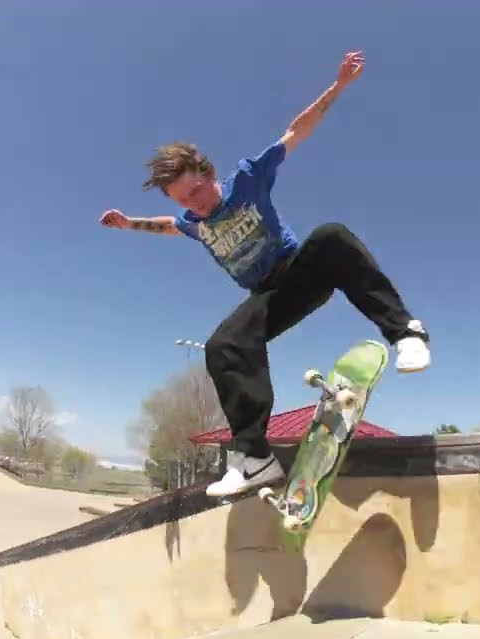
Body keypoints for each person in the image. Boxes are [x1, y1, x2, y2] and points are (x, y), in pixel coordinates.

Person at [98, 50, 430, 497]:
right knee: (223, 345)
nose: (195, 204)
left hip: (299, 273)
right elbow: (165, 225)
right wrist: (128, 223)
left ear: (209, 172)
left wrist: (338, 87)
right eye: (185, 200)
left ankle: (405, 332)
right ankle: (254, 459)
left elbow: (297, 131)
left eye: (197, 190)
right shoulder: (192, 222)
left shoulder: (248, 178)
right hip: (269, 300)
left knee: (331, 235)